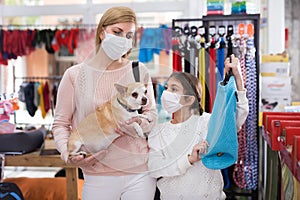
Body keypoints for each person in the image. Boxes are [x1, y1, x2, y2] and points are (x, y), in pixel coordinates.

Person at [52, 6, 157, 200]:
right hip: (97, 173)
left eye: (128, 35)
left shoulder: (138, 70)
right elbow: (60, 124)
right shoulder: (75, 75)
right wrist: (68, 154)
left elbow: (151, 114)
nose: (123, 39)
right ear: (102, 32)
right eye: (117, 32)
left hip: (140, 172)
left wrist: (140, 123)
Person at [147, 54, 249, 200]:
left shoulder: (208, 122)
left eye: (174, 89)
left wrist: (237, 79)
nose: (166, 93)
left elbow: (236, 118)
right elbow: (155, 168)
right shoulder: (159, 131)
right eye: (167, 88)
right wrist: (189, 160)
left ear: (189, 99)